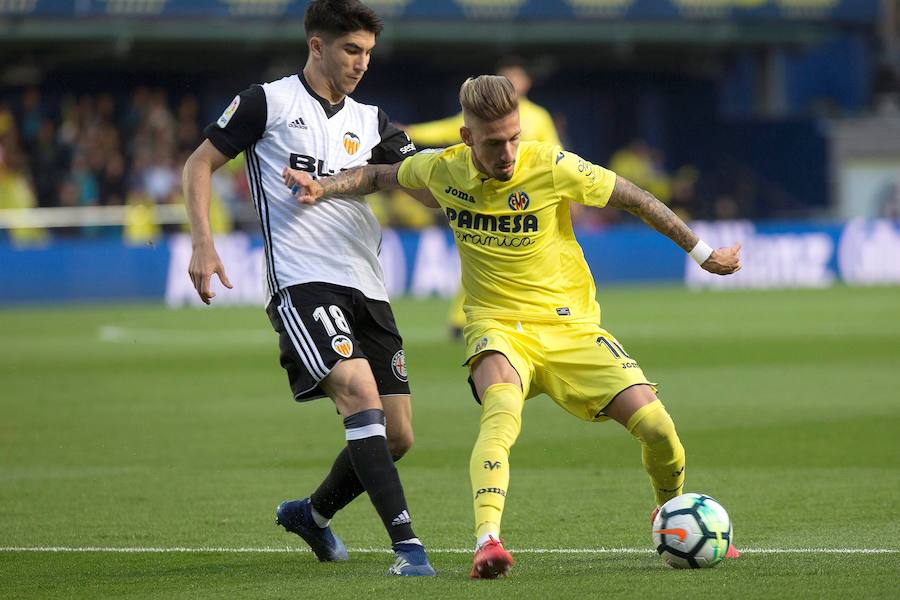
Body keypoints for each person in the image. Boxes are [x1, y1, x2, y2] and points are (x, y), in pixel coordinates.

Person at [284, 75, 743, 579]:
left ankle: (670, 513)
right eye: (494, 142)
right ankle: (488, 542)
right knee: (501, 410)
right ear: (467, 139)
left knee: (658, 430)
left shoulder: (551, 164)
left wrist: (703, 254)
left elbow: (634, 198)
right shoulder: (442, 170)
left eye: (513, 137)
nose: (507, 153)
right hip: (497, 326)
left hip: (570, 326)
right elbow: (378, 176)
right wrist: (322, 186)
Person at [182, 0, 434, 577]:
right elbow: (198, 165)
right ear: (316, 46)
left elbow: (419, 184)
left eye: (368, 53)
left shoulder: (373, 121)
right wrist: (204, 242)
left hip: (367, 285)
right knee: (357, 393)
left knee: (397, 435)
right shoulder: (265, 102)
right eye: (352, 50)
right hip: (302, 280)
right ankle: (408, 549)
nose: (361, 63)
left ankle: (311, 515)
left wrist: (455, 178)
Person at [403, 57, 560, 339]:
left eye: (516, 78)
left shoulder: (539, 117)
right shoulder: (483, 117)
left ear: (526, 83)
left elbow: (556, 158)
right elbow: (447, 128)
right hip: (488, 193)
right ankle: (457, 319)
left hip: (528, 202)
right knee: (478, 257)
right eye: (506, 78)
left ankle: (537, 314)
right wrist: (412, 132)